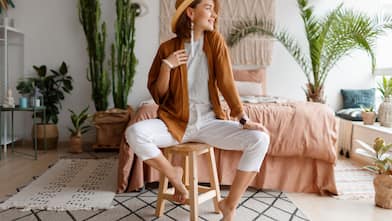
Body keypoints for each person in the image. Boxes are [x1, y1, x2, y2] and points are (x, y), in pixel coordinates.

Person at [125, 0, 270, 220]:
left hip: (209, 123)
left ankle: (229, 204)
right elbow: (159, 95)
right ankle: (173, 173)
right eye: (209, 8)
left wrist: (242, 117)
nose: (214, 15)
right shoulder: (167, 48)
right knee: (134, 133)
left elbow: (226, 82)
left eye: (214, 10)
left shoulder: (215, 42)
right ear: (191, 12)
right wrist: (167, 66)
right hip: (174, 124)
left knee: (260, 139)